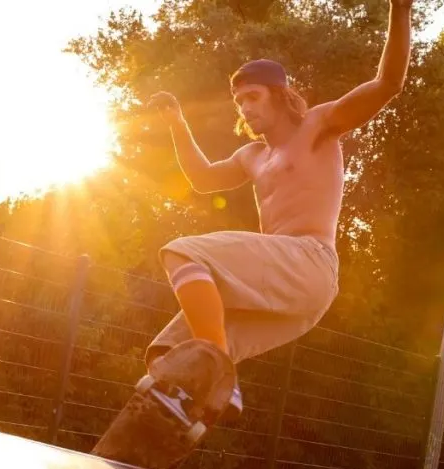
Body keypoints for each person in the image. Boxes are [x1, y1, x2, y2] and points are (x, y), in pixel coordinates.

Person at [144, 0, 413, 418]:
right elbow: (202, 179)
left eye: (253, 97)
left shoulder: (319, 126)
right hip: (283, 286)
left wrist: (400, 10)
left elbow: (388, 84)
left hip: (310, 262)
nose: (245, 109)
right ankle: (185, 406)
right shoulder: (251, 155)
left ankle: (216, 375)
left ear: (281, 96)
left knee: (183, 252)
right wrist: (178, 124)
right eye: (239, 103)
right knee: (169, 353)